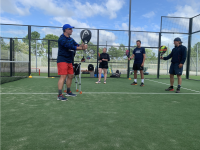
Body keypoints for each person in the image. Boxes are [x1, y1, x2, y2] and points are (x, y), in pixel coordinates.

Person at [57, 24, 87, 101]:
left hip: (69, 60)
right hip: (62, 60)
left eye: (71, 29)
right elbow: (71, 47)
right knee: (63, 77)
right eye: (70, 29)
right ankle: (60, 95)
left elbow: (77, 45)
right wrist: (81, 48)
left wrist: (83, 45)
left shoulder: (71, 39)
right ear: (65, 30)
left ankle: (68, 91)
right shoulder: (61, 39)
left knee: (70, 76)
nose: (72, 30)